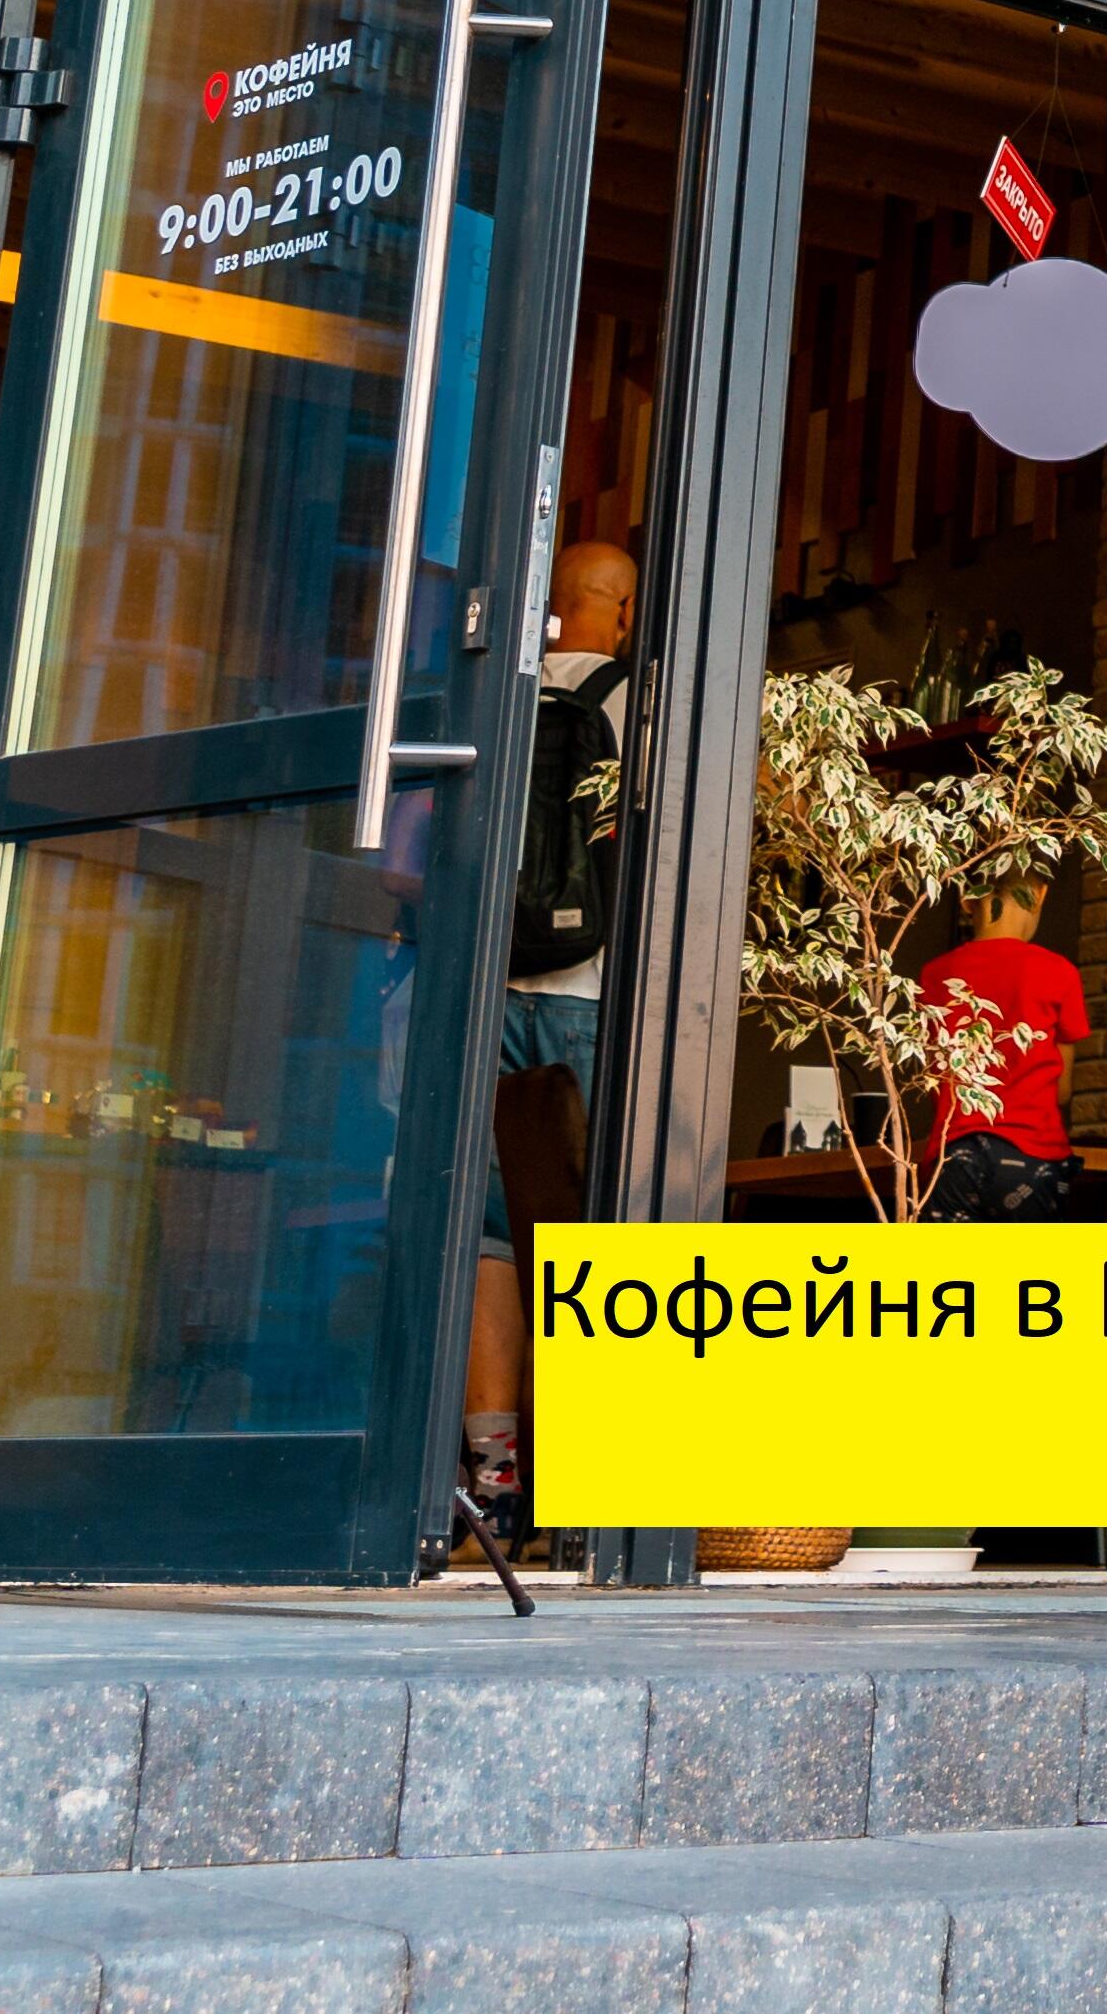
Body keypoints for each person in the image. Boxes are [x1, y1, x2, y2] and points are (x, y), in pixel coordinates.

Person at [464, 535, 639, 1520]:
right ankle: (577, 1469)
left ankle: (494, 1467)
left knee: (493, 1232)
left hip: (494, 985)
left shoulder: (500, 696)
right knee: (580, 1229)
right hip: (585, 989)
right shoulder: (629, 702)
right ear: (617, 608)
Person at [914, 867, 1091, 1222]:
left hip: (954, 1155)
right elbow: (1062, 1091)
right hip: (1031, 1155)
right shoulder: (1058, 973)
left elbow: (932, 1078)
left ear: (966, 900)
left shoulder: (934, 975)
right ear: (1040, 894)